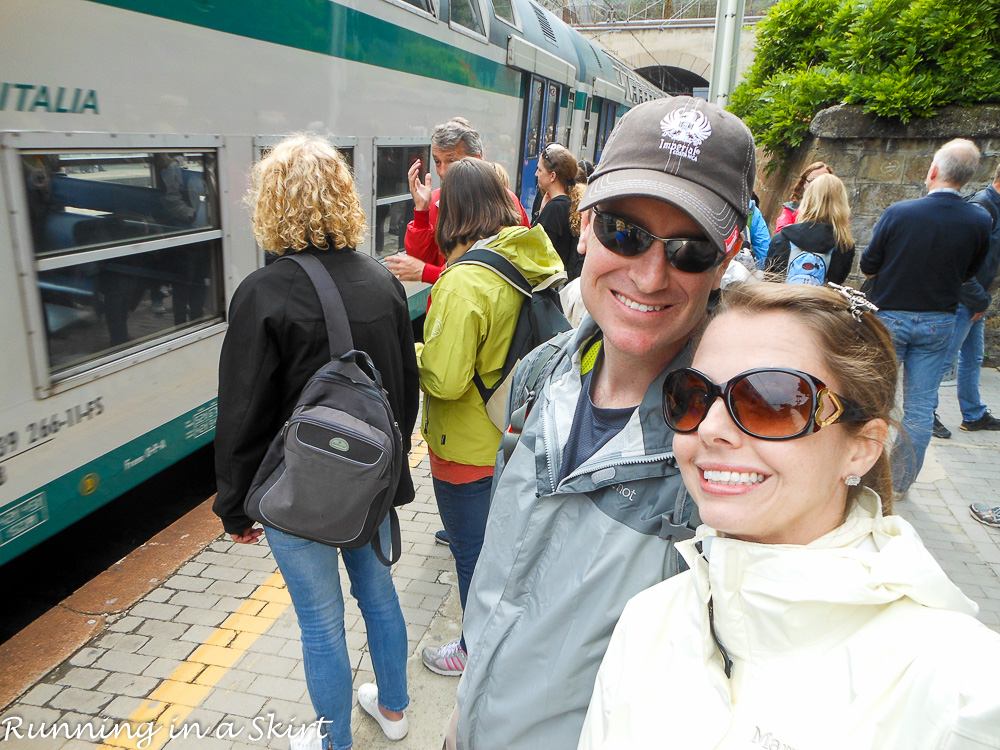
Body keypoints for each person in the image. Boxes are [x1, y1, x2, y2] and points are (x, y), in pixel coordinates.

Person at [453, 96, 755, 750]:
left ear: (726, 259)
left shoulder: (737, 446)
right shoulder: (540, 376)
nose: (649, 275)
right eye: (625, 231)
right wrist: (459, 718)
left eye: (690, 249)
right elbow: (503, 578)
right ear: (584, 225)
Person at [578, 281, 1000, 750]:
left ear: (861, 448)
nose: (712, 429)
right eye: (695, 395)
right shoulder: (648, 622)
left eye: (773, 402)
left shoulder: (960, 687)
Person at [213, 135, 419, 750]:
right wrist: (390, 475)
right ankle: (396, 710)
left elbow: (242, 413)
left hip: (296, 492)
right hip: (370, 487)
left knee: (321, 625)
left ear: (272, 205)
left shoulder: (262, 294)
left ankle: (334, 743)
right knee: (378, 594)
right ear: (342, 200)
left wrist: (234, 506)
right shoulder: (383, 283)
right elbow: (403, 393)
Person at [416, 158, 564, 677]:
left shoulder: (464, 282)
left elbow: (446, 379)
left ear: (452, 211)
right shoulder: (527, 254)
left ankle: (474, 653)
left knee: (472, 557)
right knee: (503, 553)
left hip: (468, 447)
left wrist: (414, 353)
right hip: (517, 431)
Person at [860, 139, 990, 495]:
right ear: (967, 177)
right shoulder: (979, 219)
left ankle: (860, 474)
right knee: (920, 408)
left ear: (933, 171)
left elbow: (869, 264)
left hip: (891, 317)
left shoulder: (900, 212)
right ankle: (898, 485)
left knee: (875, 399)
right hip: (939, 320)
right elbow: (970, 271)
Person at [384, 117, 529, 286]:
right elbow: (421, 259)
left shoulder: (505, 201)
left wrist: (427, 273)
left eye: (452, 161)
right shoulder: (435, 200)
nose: (443, 171)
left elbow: (494, 278)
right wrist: (421, 211)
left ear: (477, 158)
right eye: (438, 162)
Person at [933, 160, 1000, 439]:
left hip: (978, 298)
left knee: (972, 356)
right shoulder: (982, 207)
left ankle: (973, 414)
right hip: (967, 299)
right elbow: (960, 262)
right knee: (944, 359)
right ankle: (927, 413)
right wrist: (977, 301)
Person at [765, 173, 855, 285]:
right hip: (818, 301)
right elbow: (836, 283)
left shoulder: (782, 238)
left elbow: (769, 280)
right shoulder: (844, 246)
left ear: (807, 200)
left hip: (782, 300)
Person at [533, 143, 585, 279]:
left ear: (552, 176)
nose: (536, 174)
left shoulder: (554, 208)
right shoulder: (569, 203)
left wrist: (541, 213)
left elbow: (538, 252)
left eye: (539, 170)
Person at [774, 160, 832, 233]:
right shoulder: (791, 209)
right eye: (812, 181)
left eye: (823, 182)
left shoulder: (837, 212)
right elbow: (781, 236)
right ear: (804, 183)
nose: (817, 186)